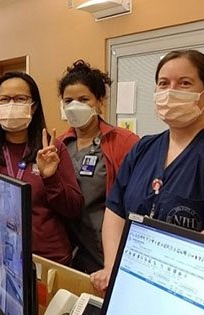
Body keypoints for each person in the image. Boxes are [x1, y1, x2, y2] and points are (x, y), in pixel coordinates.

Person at [91, 50, 204, 293]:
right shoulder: (144, 148)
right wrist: (114, 267)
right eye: (163, 84)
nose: (170, 91)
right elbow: (115, 210)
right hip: (133, 281)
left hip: (194, 291)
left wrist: (156, 278)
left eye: (184, 83)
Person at [0, 71, 83, 264]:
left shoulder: (51, 149)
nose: (11, 105)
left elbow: (73, 209)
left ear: (34, 106)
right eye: (4, 99)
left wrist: (51, 178)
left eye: (20, 99)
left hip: (45, 258)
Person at [57, 60, 139, 274]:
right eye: (68, 100)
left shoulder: (124, 142)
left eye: (84, 99)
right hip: (72, 250)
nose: (75, 106)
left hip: (108, 249)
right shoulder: (59, 145)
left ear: (100, 101)